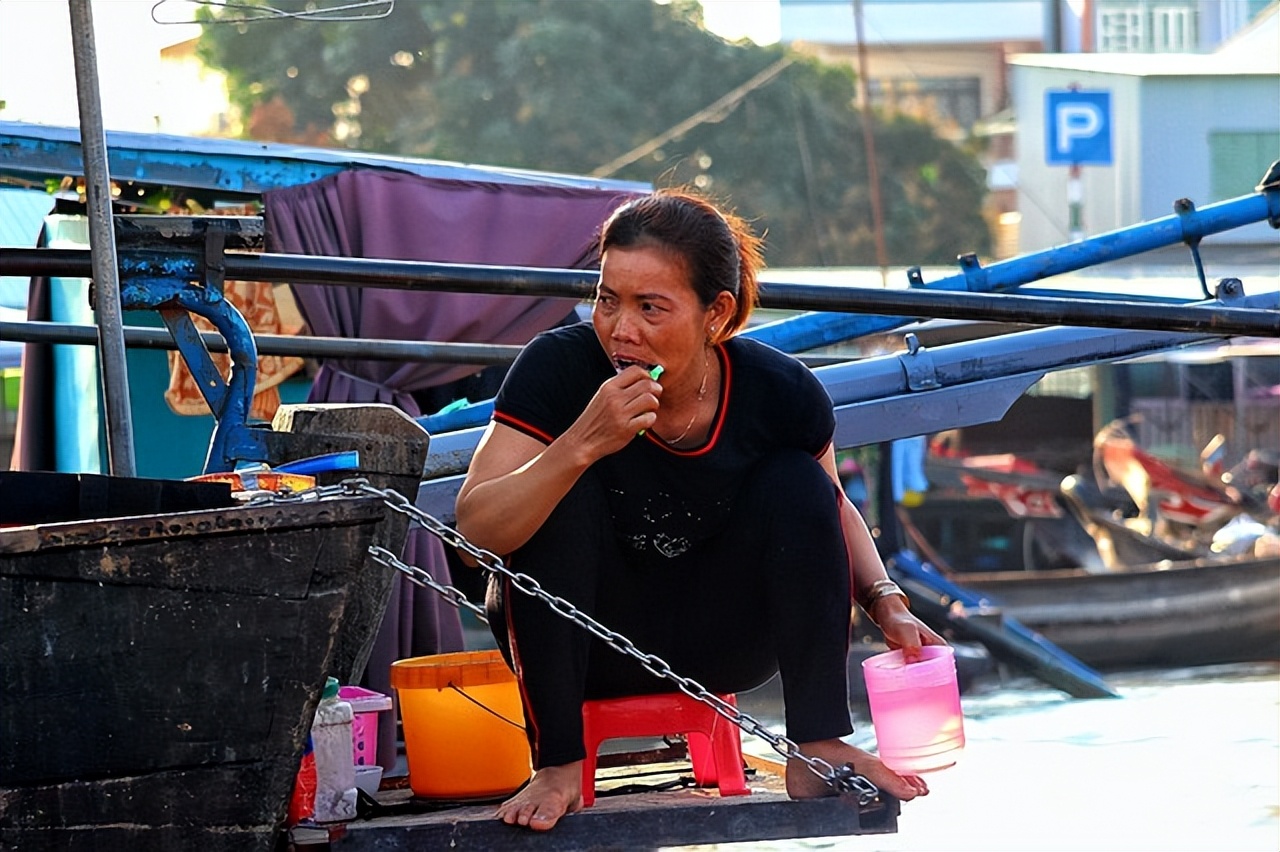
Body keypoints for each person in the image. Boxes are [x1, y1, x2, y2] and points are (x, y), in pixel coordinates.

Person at [455, 189, 946, 832]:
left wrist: (886, 601)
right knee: (562, 493)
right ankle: (558, 763)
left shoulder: (780, 392)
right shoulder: (559, 367)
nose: (620, 329)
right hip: (582, 641)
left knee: (795, 478)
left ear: (715, 314)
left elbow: (828, 511)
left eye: (650, 307)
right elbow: (475, 533)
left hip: (725, 641)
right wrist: (578, 446)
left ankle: (817, 741)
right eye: (607, 300)